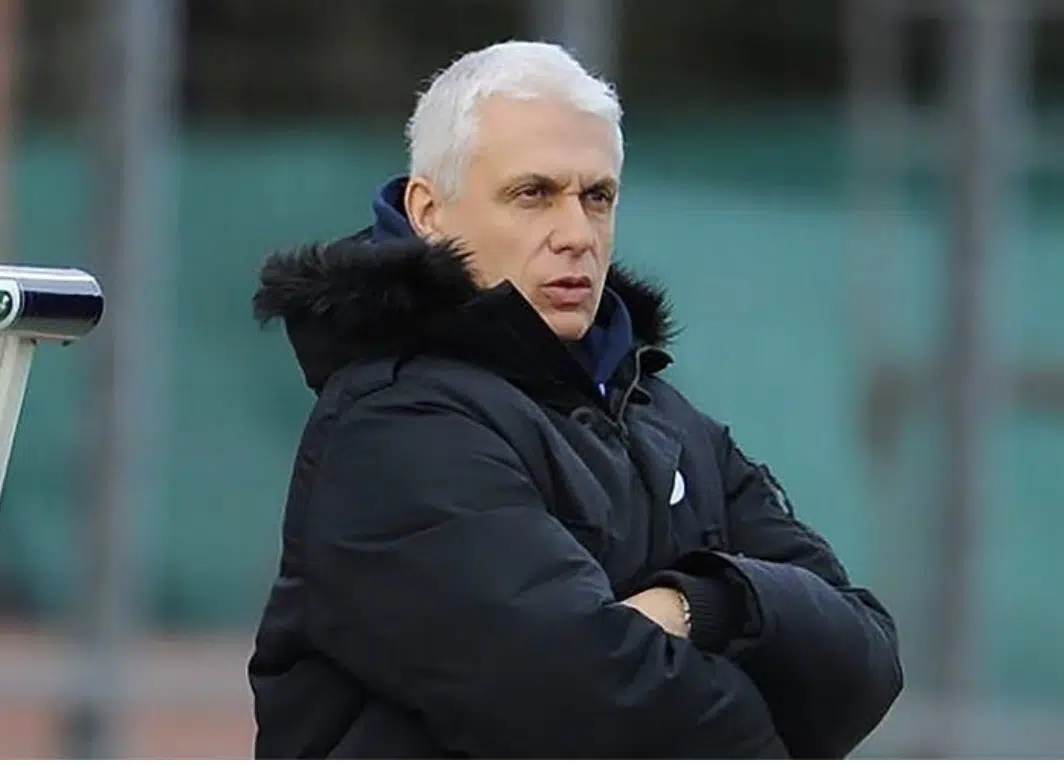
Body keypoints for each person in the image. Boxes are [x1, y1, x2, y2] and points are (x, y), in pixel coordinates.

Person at [248, 40, 903, 759]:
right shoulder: (392, 427)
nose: (576, 235)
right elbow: (592, 705)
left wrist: (702, 603)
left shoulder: (663, 418)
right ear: (429, 212)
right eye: (532, 194)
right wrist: (740, 645)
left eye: (598, 197)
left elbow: (865, 660)